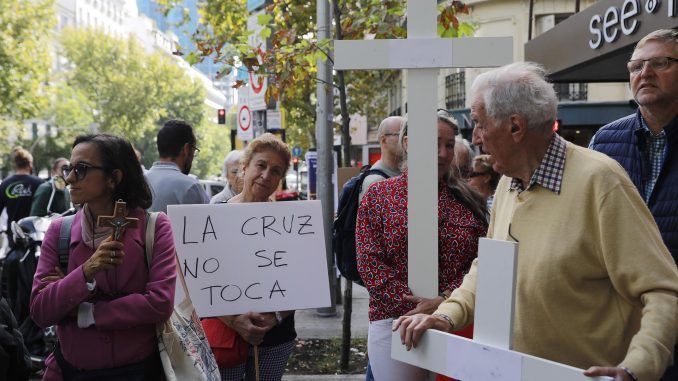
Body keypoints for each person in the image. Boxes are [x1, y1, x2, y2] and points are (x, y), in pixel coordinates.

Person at [395, 62, 678, 381]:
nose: (474, 138)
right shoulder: (508, 182)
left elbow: (663, 290)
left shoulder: (602, 181)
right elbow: (488, 267)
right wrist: (447, 315)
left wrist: (637, 366)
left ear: (515, 127)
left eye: (478, 123)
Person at [30, 134, 177, 380]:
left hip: (138, 372)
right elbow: (41, 310)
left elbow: (160, 303)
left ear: (114, 178)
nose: (69, 178)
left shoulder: (154, 227)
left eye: (81, 169)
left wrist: (86, 313)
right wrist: (87, 270)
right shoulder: (59, 232)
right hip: (70, 371)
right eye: (69, 168)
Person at [357, 117, 488, 381]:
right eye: (434, 143)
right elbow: (370, 263)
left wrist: (443, 301)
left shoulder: (466, 202)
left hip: (453, 321)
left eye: (449, 145)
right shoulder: (379, 196)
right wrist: (415, 308)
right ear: (407, 143)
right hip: (393, 323)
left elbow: (479, 262)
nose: (443, 153)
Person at [589, 28, 677, 381]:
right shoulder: (605, 140)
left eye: (660, 63)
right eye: (636, 66)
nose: (645, 73)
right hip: (621, 329)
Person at [215, 133, 296, 381]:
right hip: (226, 336)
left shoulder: (291, 223)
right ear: (245, 166)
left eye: (275, 171)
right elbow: (199, 279)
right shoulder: (215, 215)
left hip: (275, 339)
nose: (266, 175)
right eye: (261, 165)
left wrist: (275, 318)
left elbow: (303, 278)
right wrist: (234, 321)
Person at [146, 119, 209, 213]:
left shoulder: (139, 182)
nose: (193, 157)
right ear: (186, 149)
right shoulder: (190, 187)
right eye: (194, 150)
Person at [0, 148, 44, 245]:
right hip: (35, 235)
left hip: (13, 235)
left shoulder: (5, 184)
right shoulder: (39, 183)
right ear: (29, 164)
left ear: (16, 164)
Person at [359, 116, 406, 200]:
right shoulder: (375, 182)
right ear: (384, 140)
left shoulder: (401, 173)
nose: (406, 139)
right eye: (401, 134)